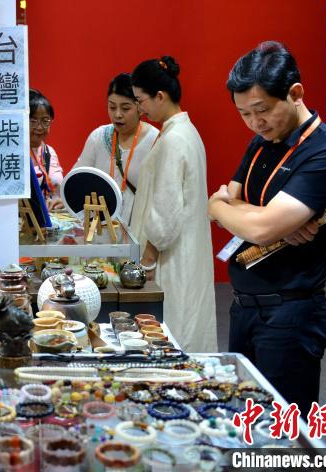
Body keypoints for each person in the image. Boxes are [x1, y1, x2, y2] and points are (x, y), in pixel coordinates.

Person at [208, 41, 326, 416]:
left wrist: (241, 213)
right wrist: (227, 207)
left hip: (290, 313)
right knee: (243, 420)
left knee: (284, 431)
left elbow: (258, 229)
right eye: (244, 113)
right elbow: (222, 204)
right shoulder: (260, 143)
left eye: (262, 110)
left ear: (295, 93)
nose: (255, 122)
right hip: (243, 305)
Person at [129, 56, 218, 353]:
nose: (140, 109)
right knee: (188, 318)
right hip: (185, 248)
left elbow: (165, 211)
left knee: (173, 327)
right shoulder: (185, 132)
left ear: (160, 96)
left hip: (171, 254)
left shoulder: (173, 139)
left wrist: (147, 261)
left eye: (140, 101)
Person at [74, 73, 158, 224]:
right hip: (100, 227)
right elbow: (77, 177)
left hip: (138, 228)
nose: (117, 114)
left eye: (125, 108)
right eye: (112, 107)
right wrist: (65, 196)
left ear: (140, 108)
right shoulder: (98, 137)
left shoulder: (155, 141)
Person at [29, 89, 64, 210]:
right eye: (33, 121)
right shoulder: (15, 154)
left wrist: (60, 200)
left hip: (51, 216)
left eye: (45, 121)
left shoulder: (49, 151)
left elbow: (58, 191)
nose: (39, 127)